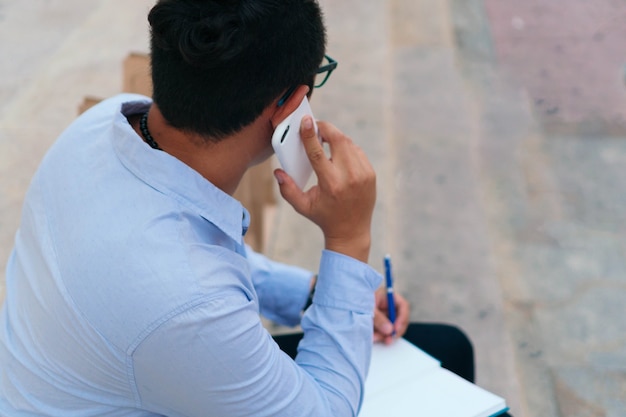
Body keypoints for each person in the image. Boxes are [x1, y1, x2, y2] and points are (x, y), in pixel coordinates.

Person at [0, 0, 491, 416]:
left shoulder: (105, 124)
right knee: (447, 356)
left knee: (445, 347)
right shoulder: (186, 304)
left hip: (91, 375)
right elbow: (324, 409)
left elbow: (197, 263)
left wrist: (313, 294)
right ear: (290, 105)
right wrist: (348, 241)